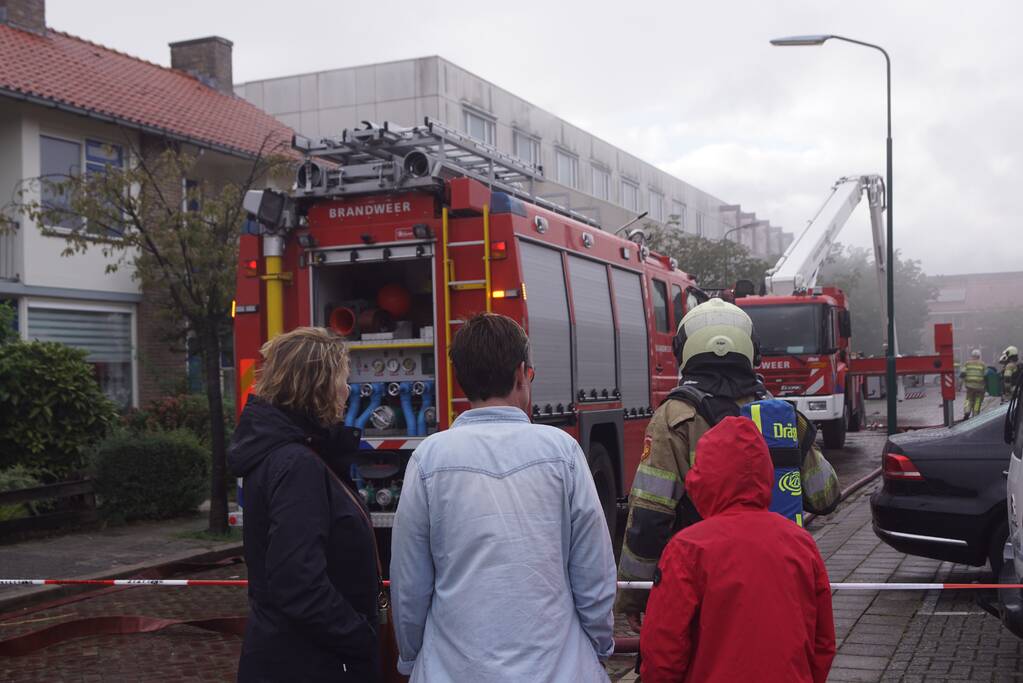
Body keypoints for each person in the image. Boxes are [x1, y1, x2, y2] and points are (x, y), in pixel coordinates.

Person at [390, 313, 616, 682]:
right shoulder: (562, 452)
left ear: (461, 379)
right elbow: (593, 571)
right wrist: (600, 646)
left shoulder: (429, 459)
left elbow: (409, 583)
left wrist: (412, 657)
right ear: (521, 374)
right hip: (558, 668)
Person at [617, 298, 838, 638]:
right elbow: (826, 496)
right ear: (752, 351)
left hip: (703, 583)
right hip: (778, 579)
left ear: (683, 351)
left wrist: (636, 594)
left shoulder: (673, 418)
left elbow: (649, 516)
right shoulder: (779, 415)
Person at [229, 327, 380, 682]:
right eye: (342, 380)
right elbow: (297, 581)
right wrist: (359, 638)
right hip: (311, 663)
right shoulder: (298, 465)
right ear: (319, 386)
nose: (347, 391)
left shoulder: (286, 454)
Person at [639, 416, 835, 683]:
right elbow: (822, 641)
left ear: (704, 477)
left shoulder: (688, 548)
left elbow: (663, 649)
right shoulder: (801, 543)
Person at [960, 349, 987, 419]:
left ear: (972, 356)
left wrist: (960, 386)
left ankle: (967, 411)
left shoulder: (967, 363)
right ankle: (975, 414)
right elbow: (986, 375)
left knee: (968, 400)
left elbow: (962, 373)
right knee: (977, 401)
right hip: (980, 387)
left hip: (969, 387)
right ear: (979, 356)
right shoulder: (983, 364)